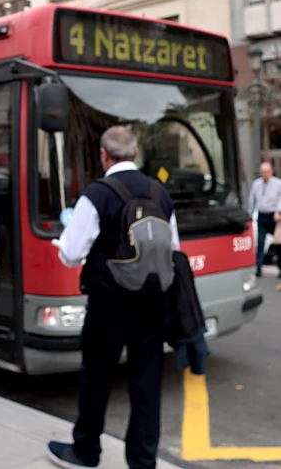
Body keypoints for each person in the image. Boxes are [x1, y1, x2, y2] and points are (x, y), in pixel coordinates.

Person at [47, 126, 180, 469]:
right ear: (135, 153)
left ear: (104, 156)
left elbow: (73, 254)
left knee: (96, 375)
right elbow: (173, 249)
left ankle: (86, 450)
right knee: (147, 383)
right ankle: (142, 460)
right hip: (152, 301)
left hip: (109, 302)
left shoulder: (97, 193)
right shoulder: (159, 193)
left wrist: (60, 245)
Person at [247, 162, 281, 279]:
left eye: (266, 172)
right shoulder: (256, 184)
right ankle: (258, 268)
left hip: (274, 216)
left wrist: (278, 210)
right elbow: (252, 200)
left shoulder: (278, 184)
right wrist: (250, 215)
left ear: (271, 172)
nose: (264, 174)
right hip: (262, 215)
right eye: (262, 172)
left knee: (277, 244)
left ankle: (280, 268)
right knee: (260, 243)